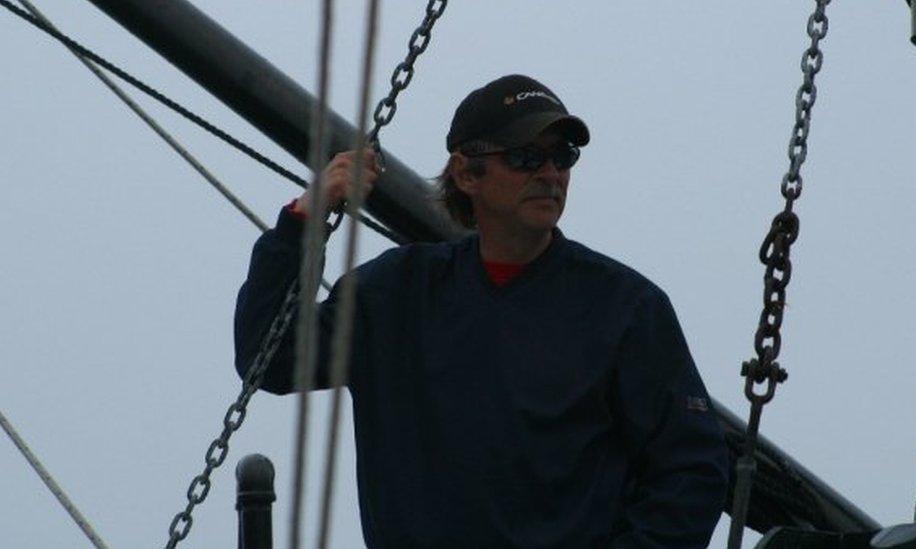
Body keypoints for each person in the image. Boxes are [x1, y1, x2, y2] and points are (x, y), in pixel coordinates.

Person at [235, 74, 729, 548]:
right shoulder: (394, 295)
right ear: (466, 173)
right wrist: (305, 218)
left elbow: (692, 469)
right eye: (525, 157)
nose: (550, 173)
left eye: (563, 156)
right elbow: (269, 358)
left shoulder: (626, 308)